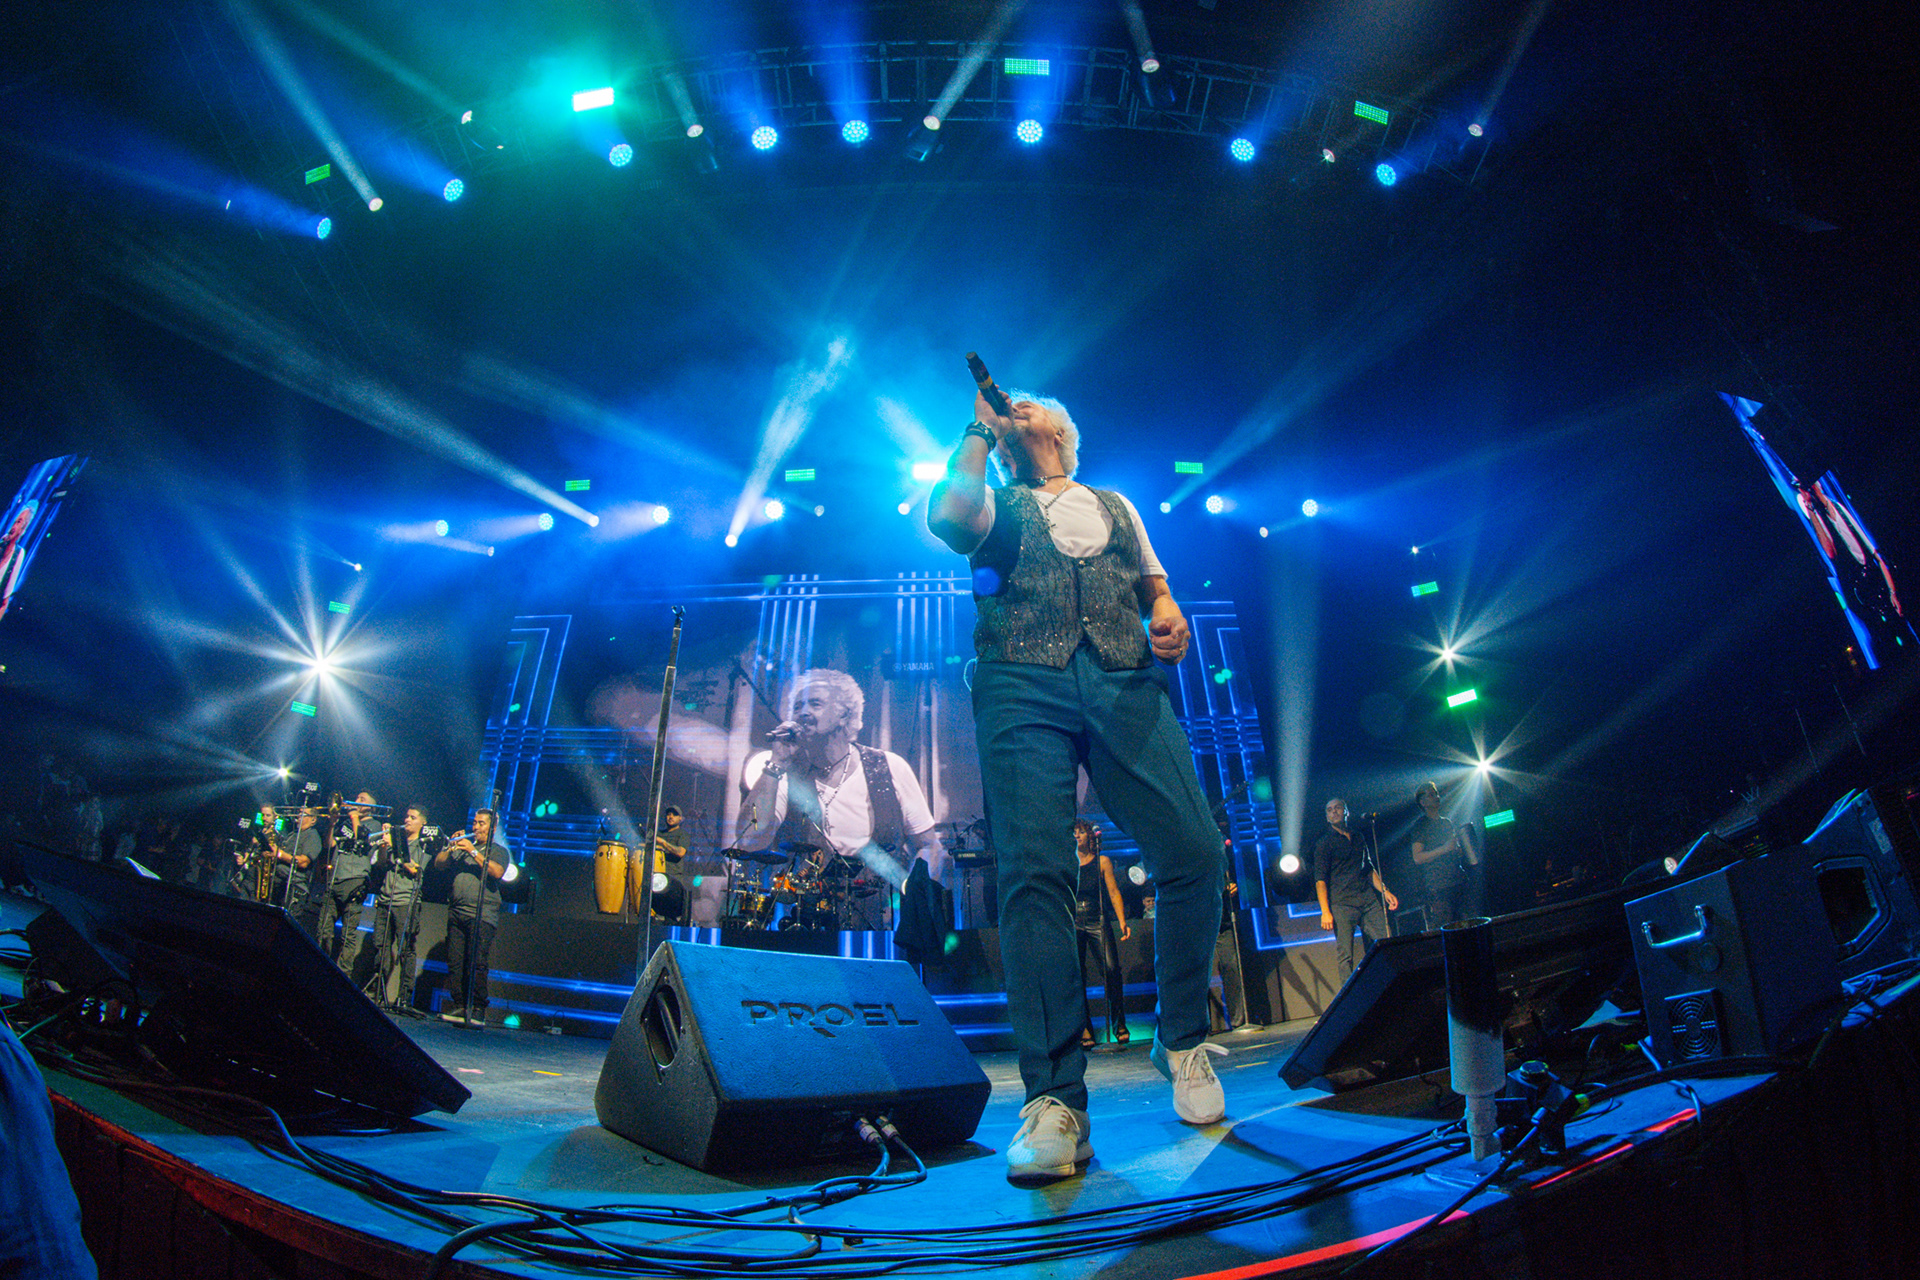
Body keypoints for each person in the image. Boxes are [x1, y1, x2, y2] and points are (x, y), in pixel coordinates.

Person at [928, 383, 1227, 1184]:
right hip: (1020, 681)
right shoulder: (994, 497)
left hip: (1126, 680)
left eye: (1027, 405)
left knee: (1197, 852)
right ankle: (1056, 1101)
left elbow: (1154, 586)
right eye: (1006, 406)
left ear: (1060, 428)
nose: (1014, 407)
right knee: (1035, 876)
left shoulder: (1117, 503)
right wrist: (978, 433)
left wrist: (1169, 614)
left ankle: (1183, 1037)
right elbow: (951, 519)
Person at [736, 669, 946, 931]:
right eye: (798, 705)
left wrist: (915, 895)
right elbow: (748, 841)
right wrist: (776, 763)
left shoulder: (889, 766)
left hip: (884, 922)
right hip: (808, 923)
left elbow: (929, 846)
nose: (802, 712)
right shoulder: (784, 773)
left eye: (815, 703)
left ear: (844, 713)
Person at [434, 808, 514, 1026]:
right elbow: (439, 864)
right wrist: (450, 847)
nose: (476, 827)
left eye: (481, 823)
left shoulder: (498, 850)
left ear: (492, 827)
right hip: (457, 912)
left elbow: (497, 872)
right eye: (475, 823)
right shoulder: (461, 848)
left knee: (476, 962)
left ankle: (477, 1008)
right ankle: (460, 1004)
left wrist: (472, 852)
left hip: (482, 915)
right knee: (456, 962)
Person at [1314, 798, 1398, 982]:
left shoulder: (1358, 836)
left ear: (1346, 812)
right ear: (1327, 817)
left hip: (1367, 900)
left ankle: (1392, 980)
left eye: (1337, 808)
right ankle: (1348, 998)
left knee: (1386, 941)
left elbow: (1368, 867)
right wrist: (1325, 911)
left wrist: (1385, 891)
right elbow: (1320, 880)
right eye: (1329, 810)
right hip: (1342, 904)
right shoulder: (1324, 843)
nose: (1334, 812)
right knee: (1346, 955)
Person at [1073, 819, 1131, 1049]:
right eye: (1074, 833)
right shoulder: (1068, 862)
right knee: (1077, 976)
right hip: (1074, 920)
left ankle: (1119, 1023)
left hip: (1098, 919)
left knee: (1111, 969)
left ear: (1090, 836)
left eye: (1081, 832)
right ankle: (1084, 1028)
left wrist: (1122, 921)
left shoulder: (1102, 861)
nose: (1077, 836)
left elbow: (1114, 892)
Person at [316, 792, 383, 976]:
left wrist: (354, 817)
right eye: (357, 798)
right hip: (336, 878)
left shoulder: (375, 825)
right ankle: (319, 968)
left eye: (362, 800)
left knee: (348, 936)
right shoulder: (345, 823)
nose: (356, 801)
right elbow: (328, 844)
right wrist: (332, 823)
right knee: (324, 931)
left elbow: (362, 841)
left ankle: (343, 976)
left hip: (356, 881)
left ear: (372, 808)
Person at [373, 804, 431, 1011]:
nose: (406, 820)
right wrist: (383, 846)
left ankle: (404, 997)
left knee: (406, 950)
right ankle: (377, 993)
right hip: (385, 899)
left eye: (412, 817)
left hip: (406, 902)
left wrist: (394, 846)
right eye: (406, 816)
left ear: (422, 823)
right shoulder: (397, 842)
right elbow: (380, 864)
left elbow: (415, 870)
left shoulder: (424, 844)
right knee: (381, 948)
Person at [1410, 780, 1479, 927]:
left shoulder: (1446, 822)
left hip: (1459, 880)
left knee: (1471, 922)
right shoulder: (1420, 825)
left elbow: (1452, 848)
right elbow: (1417, 857)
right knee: (1445, 926)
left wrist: (1458, 850)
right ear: (1422, 802)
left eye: (1436, 793)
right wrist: (1444, 849)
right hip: (1440, 885)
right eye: (1431, 794)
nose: (1436, 797)